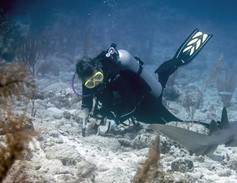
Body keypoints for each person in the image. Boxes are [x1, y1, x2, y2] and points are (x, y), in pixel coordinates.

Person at [73, 29, 212, 135]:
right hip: (126, 104)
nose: (95, 84)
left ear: (99, 69)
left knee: (173, 124)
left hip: (146, 102)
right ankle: (163, 72)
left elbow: (131, 104)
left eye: (97, 78)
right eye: (91, 83)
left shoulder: (115, 76)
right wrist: (85, 109)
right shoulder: (88, 78)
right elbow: (87, 97)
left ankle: (215, 127)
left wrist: (114, 123)